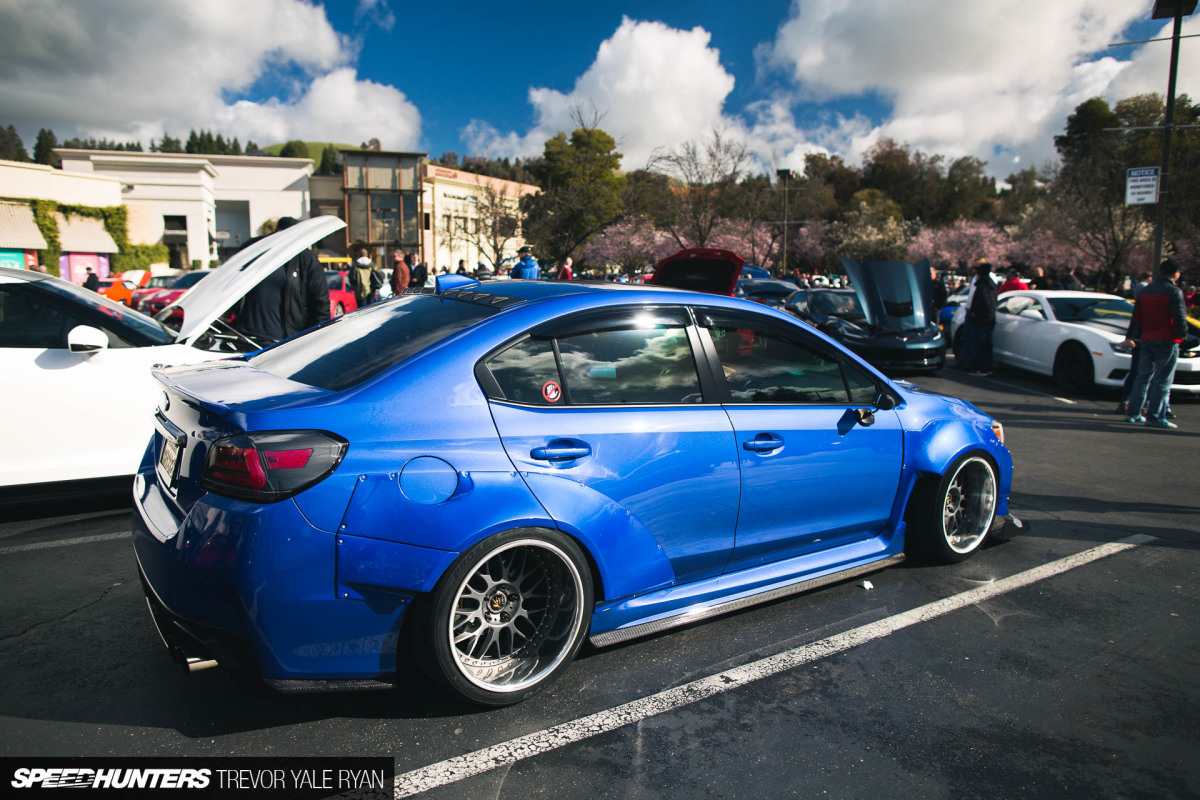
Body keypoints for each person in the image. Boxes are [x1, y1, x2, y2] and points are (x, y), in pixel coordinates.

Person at [233, 216, 328, 346]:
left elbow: (320, 304)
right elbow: (229, 284)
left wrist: (316, 342)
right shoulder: (255, 250)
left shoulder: (305, 258)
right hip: (246, 338)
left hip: (284, 342)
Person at [1120, 259, 1187, 429]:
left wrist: (1131, 337)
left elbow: (1136, 318)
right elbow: (1179, 318)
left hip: (1147, 338)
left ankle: (1133, 412)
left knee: (1142, 377)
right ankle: (1155, 416)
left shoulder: (1145, 291)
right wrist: (1184, 335)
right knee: (1162, 379)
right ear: (1175, 273)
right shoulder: (1174, 292)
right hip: (1167, 339)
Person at [957, 259, 998, 376]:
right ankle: (972, 364)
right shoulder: (987, 284)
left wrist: (975, 312)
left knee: (980, 343)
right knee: (976, 341)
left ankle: (979, 367)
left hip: (981, 318)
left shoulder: (983, 285)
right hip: (985, 317)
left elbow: (984, 302)